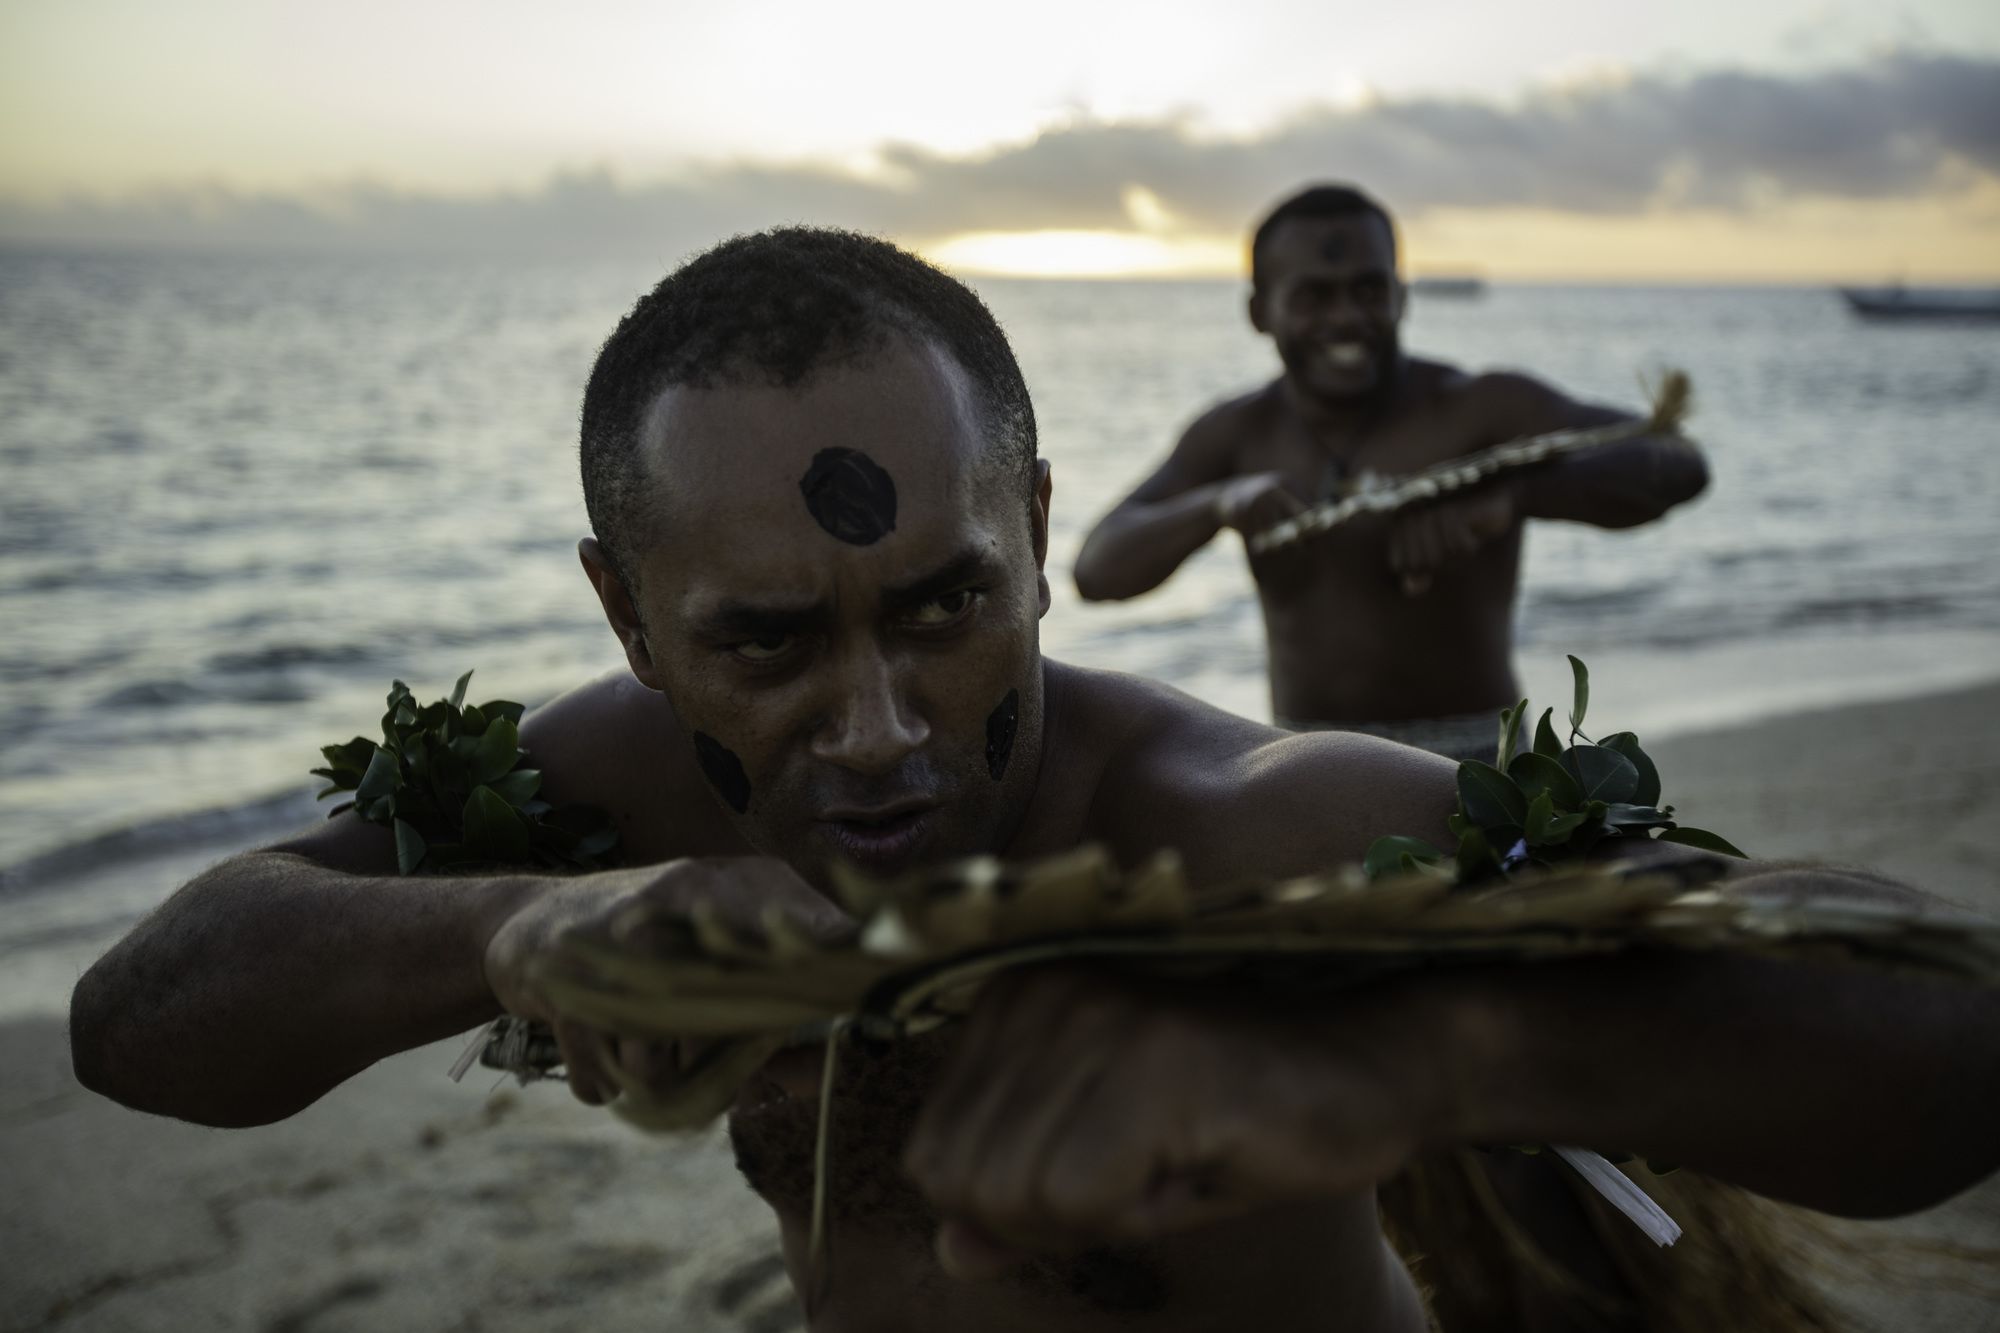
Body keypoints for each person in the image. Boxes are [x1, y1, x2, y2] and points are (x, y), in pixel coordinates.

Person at [70, 229, 1997, 1333]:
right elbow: (141, 1019)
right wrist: (516, 923)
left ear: (1041, 530)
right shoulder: (608, 794)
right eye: (768, 640)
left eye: (944, 606)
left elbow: (1947, 1042)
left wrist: (1416, 1061)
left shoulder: (1249, 826)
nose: (884, 722)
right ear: (630, 620)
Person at [1073, 185, 1711, 760]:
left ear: (1402, 296)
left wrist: (1512, 498)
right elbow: (1096, 569)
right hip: (1308, 760)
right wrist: (1218, 504)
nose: (1347, 316)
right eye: (1315, 296)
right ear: (1260, 311)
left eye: (1369, 289)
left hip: (1477, 757)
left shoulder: (1479, 409)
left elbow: (1677, 463)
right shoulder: (1239, 434)